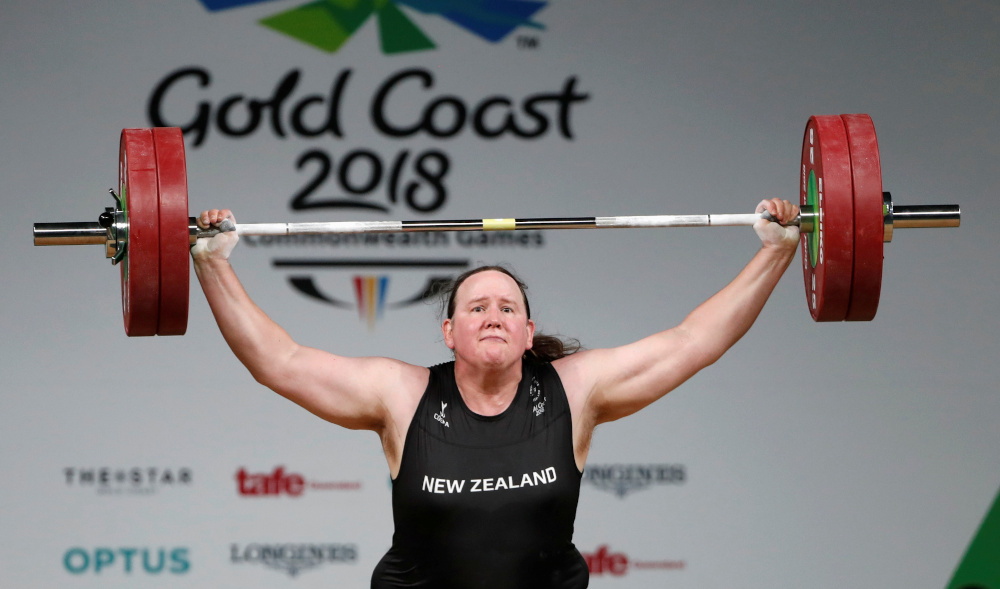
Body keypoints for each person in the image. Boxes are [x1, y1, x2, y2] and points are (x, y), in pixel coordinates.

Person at [191, 198, 800, 588]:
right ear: (449, 331)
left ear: (528, 332)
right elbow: (279, 361)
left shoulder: (576, 390)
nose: (493, 315)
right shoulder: (401, 396)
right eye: (476, 306)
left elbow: (694, 340)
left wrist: (776, 252)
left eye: (508, 307)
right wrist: (212, 263)